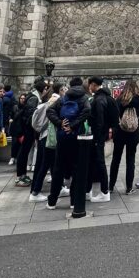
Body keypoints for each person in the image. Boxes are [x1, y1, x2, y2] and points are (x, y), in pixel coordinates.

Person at [46, 77, 92, 218]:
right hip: (76, 137)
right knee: (76, 169)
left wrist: (61, 124)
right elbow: (87, 112)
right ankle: (74, 201)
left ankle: (52, 201)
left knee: (58, 168)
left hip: (62, 137)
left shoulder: (64, 97)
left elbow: (50, 111)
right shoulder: (84, 98)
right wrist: (73, 126)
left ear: (70, 85)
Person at [29, 81, 63, 202]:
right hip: (50, 137)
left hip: (44, 136)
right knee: (45, 165)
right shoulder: (55, 101)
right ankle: (35, 192)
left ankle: (60, 186)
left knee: (52, 164)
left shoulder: (46, 102)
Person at [110, 79, 139, 195]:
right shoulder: (138, 99)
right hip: (133, 133)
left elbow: (115, 115)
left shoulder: (119, 99)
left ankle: (110, 186)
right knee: (131, 160)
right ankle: (129, 188)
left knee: (116, 159)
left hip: (120, 132)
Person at [87, 76, 118, 202]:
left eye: (90, 85)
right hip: (102, 134)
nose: (89, 87)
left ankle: (104, 192)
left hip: (98, 136)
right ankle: (88, 190)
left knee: (99, 162)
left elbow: (99, 120)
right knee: (93, 162)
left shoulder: (99, 99)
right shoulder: (108, 97)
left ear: (93, 85)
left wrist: (98, 136)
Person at [14, 80, 43, 185]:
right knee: (23, 152)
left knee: (24, 152)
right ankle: (20, 176)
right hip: (27, 130)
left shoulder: (32, 96)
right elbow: (30, 115)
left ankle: (22, 175)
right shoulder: (34, 98)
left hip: (26, 130)